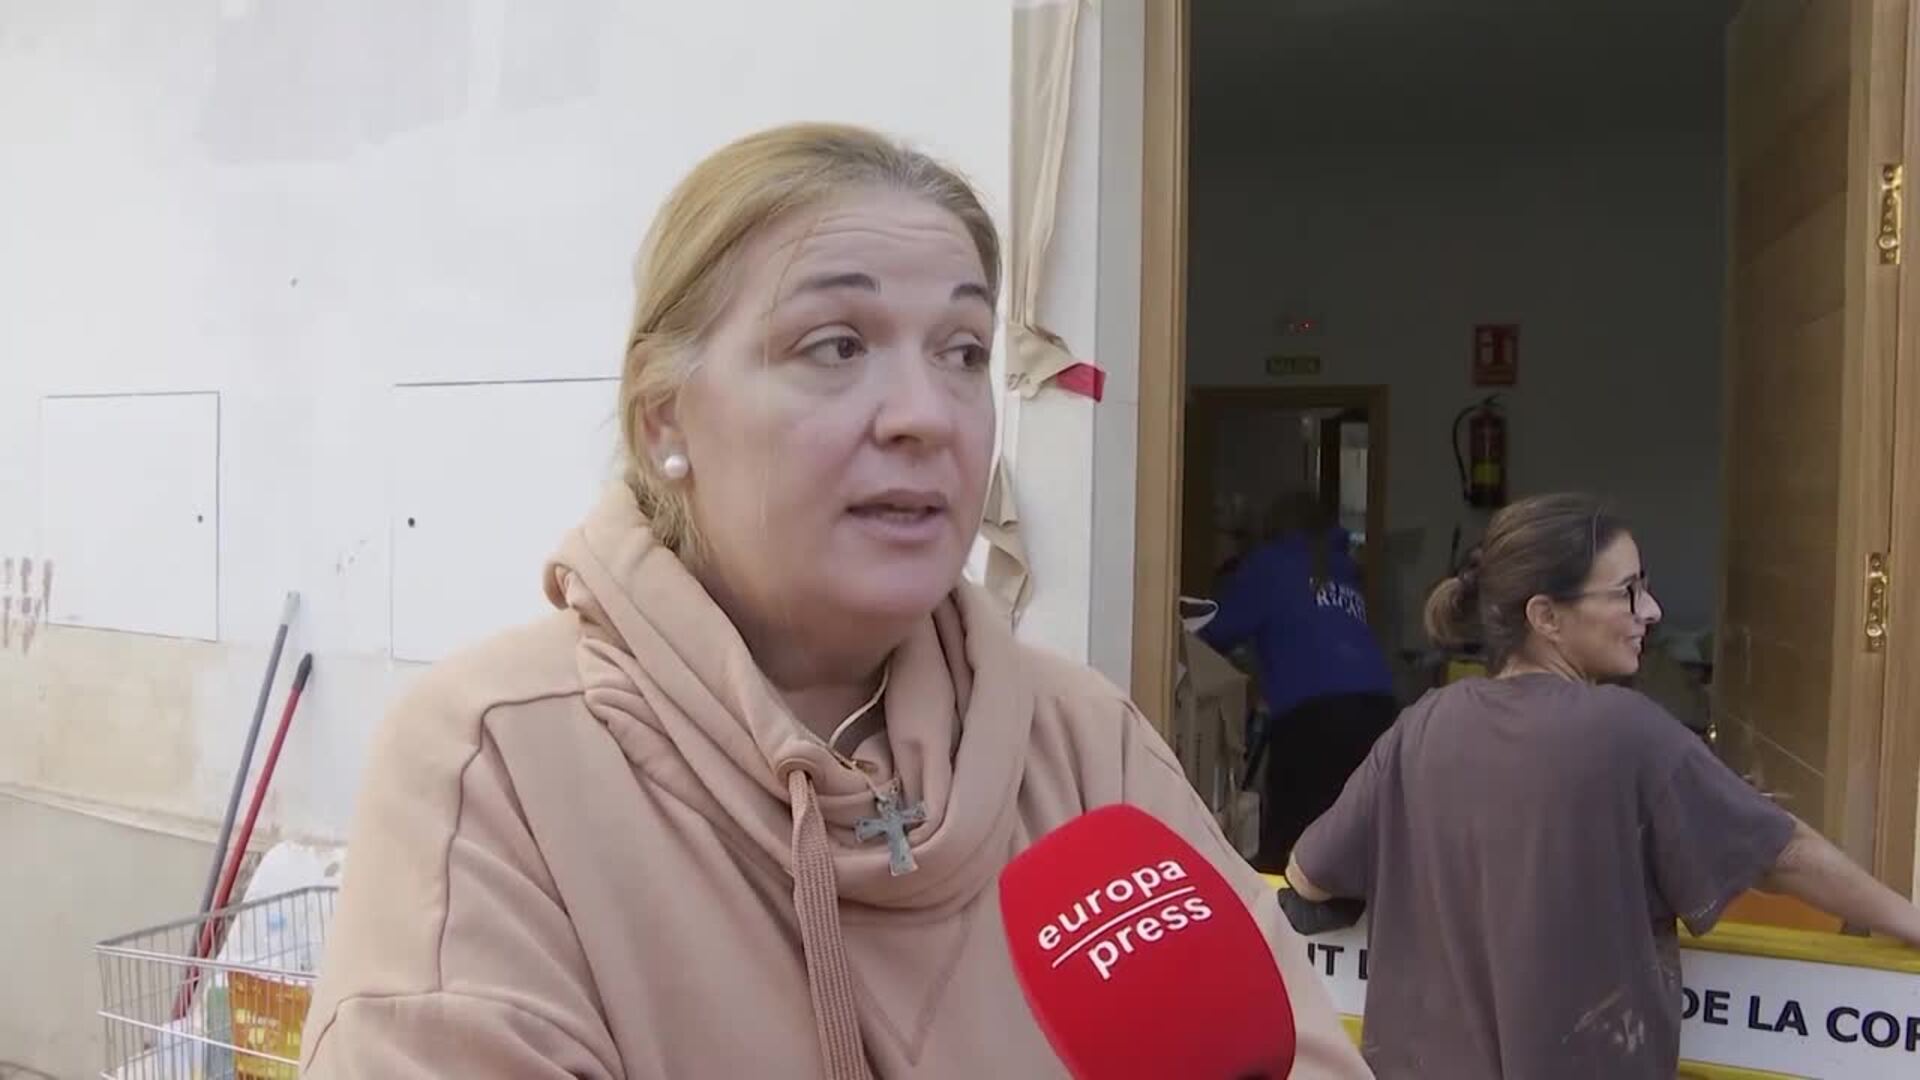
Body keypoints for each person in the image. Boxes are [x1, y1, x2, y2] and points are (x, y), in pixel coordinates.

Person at [299, 124, 1369, 1079]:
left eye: (963, 352)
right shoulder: (498, 760)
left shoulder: (1085, 745)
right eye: (836, 346)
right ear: (664, 415)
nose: (925, 415)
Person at [1284, 493, 1920, 1079]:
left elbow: (1308, 876)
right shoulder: (1627, 732)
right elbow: (1781, 854)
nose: (1651, 611)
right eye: (1627, 592)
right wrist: (1908, 918)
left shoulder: (1421, 727)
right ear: (1546, 616)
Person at [1201, 490, 1396, 870]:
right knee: (1356, 832)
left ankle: (1285, 903)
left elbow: (1213, 630)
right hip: (1378, 708)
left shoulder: (1268, 565)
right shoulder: (1342, 568)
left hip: (1313, 716)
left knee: (1290, 835)